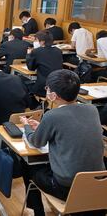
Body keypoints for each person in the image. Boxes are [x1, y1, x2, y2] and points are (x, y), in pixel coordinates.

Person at [20, 69, 105, 216]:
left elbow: (36, 141)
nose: (46, 91)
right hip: (99, 183)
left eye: (47, 88)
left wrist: (26, 126)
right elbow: (71, 128)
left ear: (53, 95)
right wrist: (42, 127)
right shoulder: (92, 110)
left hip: (68, 186)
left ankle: (38, 212)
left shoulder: (52, 115)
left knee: (28, 165)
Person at [26, 30, 63, 97]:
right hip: (57, 85)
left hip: (43, 87)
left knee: (25, 84)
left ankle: (34, 104)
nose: (35, 42)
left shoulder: (37, 51)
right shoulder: (58, 51)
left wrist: (28, 55)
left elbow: (31, 68)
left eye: (36, 40)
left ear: (42, 41)